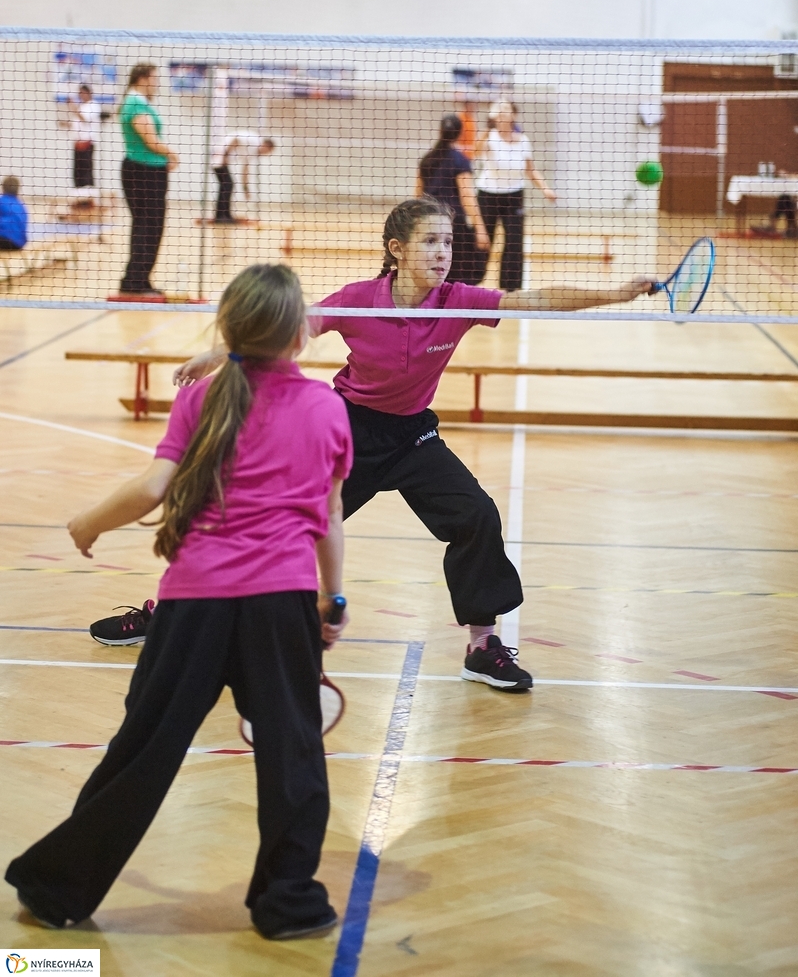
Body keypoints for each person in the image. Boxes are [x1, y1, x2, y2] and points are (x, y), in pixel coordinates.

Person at [135, 196, 646, 694]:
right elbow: (287, 327)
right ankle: (173, 612)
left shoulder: (459, 302)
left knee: (476, 517)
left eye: (447, 242)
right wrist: (217, 355)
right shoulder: (358, 299)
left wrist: (617, 293)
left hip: (412, 435)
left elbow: (533, 299)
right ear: (397, 248)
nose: (442, 253)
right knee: (278, 525)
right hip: (349, 430)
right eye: (429, 242)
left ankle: (482, 646)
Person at [6, 264, 353, 940]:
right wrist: (332, 599)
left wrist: (88, 523)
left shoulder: (202, 398)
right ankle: (288, 903)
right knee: (293, 754)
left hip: (194, 605)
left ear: (228, 330)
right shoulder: (327, 408)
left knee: (143, 748)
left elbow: (153, 486)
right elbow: (329, 516)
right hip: (280, 604)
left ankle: (57, 888)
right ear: (298, 337)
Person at [474, 100, 556, 291]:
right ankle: (473, 281)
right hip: (488, 196)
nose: (502, 113)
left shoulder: (523, 141)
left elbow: (530, 169)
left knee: (514, 242)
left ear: (513, 115)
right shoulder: (490, 137)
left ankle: (511, 289)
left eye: (506, 110)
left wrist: (545, 189)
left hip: (514, 196)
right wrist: (488, 127)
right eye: (499, 111)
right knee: (484, 240)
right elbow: (475, 152)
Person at [118, 64, 179, 296]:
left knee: (149, 226)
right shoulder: (135, 104)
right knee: (148, 226)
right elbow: (151, 141)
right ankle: (134, 281)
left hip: (148, 170)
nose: (157, 83)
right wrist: (172, 154)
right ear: (142, 79)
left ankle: (139, 280)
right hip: (144, 172)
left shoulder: (138, 103)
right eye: (155, 78)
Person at [415, 113, 490, 284]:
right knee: (458, 275)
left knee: (434, 271)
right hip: (453, 226)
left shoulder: (427, 160)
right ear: (460, 133)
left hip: (429, 222)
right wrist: (480, 228)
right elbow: (467, 197)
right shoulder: (461, 161)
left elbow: (418, 196)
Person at [213, 133, 275, 223]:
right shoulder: (254, 141)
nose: (266, 154)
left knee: (227, 185)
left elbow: (245, 170)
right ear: (266, 146)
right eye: (268, 151)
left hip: (221, 159)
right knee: (227, 185)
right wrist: (225, 156)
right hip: (218, 156)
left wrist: (245, 189)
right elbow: (235, 140)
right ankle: (221, 216)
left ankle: (224, 215)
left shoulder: (254, 152)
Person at [66, 85, 101, 196]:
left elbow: (84, 119)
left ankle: (89, 197)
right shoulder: (82, 107)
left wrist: (72, 106)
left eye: (82, 93)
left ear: (88, 93)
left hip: (87, 143)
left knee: (86, 171)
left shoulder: (93, 106)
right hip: (77, 143)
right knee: (77, 172)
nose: (80, 95)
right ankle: (78, 197)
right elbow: (77, 124)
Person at [0, 175, 28, 251]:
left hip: (6, 240)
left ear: (3, 187)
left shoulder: (2, 201)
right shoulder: (20, 205)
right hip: (19, 243)